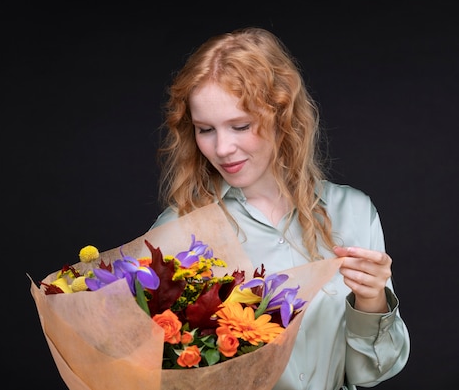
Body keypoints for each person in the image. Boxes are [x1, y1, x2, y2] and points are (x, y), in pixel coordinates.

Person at [150, 27, 410, 390]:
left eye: (240, 125)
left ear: (282, 116)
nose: (222, 148)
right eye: (205, 129)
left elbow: (371, 372)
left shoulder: (353, 212)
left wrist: (372, 300)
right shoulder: (178, 231)